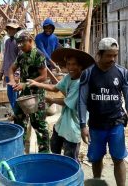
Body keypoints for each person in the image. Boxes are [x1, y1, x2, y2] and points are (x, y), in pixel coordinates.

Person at [27, 48, 94, 160]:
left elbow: (67, 103)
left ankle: (72, 175)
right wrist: (37, 84)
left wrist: (51, 100)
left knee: (70, 158)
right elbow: (54, 88)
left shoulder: (80, 84)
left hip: (74, 123)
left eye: (74, 64)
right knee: (55, 148)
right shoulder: (68, 77)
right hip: (63, 122)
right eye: (68, 64)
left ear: (81, 66)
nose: (71, 67)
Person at [79, 37, 128, 186]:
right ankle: (98, 183)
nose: (112, 59)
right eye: (109, 55)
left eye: (115, 55)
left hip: (116, 124)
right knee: (96, 157)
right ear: (100, 54)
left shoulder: (122, 72)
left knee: (119, 158)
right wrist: (83, 125)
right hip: (95, 125)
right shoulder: (88, 73)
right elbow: (82, 100)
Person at [8, 30, 48, 152]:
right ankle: (19, 148)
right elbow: (11, 69)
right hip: (24, 94)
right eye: (19, 44)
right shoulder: (21, 55)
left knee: (38, 124)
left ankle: (44, 152)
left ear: (30, 41)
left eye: (23, 44)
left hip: (36, 95)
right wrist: (12, 81)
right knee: (18, 118)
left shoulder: (38, 55)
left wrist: (25, 84)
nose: (20, 46)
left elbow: (44, 76)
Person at [0, 19, 21, 110]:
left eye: (13, 29)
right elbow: (5, 58)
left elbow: (20, 59)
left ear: (16, 30)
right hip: (8, 72)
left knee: (14, 95)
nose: (11, 31)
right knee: (10, 94)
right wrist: (1, 72)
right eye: (9, 29)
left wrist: (18, 74)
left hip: (15, 73)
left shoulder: (18, 42)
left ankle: (18, 114)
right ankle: (16, 112)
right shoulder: (7, 42)